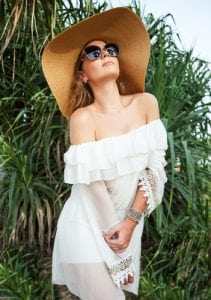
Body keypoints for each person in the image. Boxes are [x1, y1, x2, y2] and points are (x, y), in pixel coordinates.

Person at [42, 7, 168, 300]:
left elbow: (154, 169)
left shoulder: (146, 103)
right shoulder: (82, 118)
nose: (105, 54)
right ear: (82, 74)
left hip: (126, 228)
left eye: (109, 49)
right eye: (93, 53)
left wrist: (130, 224)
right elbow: (92, 183)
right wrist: (117, 231)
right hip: (87, 225)